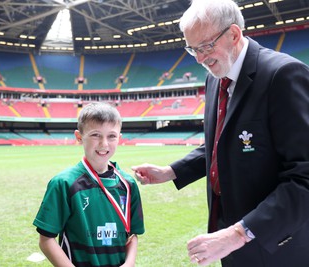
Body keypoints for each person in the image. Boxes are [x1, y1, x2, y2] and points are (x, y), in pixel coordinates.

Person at [132, 0, 309, 266]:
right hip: (229, 237)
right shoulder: (215, 78)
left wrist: (240, 233)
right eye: (192, 50)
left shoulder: (282, 75)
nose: (200, 59)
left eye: (205, 46)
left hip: (277, 245)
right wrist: (171, 171)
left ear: (234, 34)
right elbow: (220, 142)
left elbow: (304, 177)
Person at [33, 102, 145, 266]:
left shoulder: (128, 184)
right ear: (79, 137)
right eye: (95, 135)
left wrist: (129, 263)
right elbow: (46, 239)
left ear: (119, 138)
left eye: (111, 136)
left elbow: (133, 234)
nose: (104, 143)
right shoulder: (63, 183)